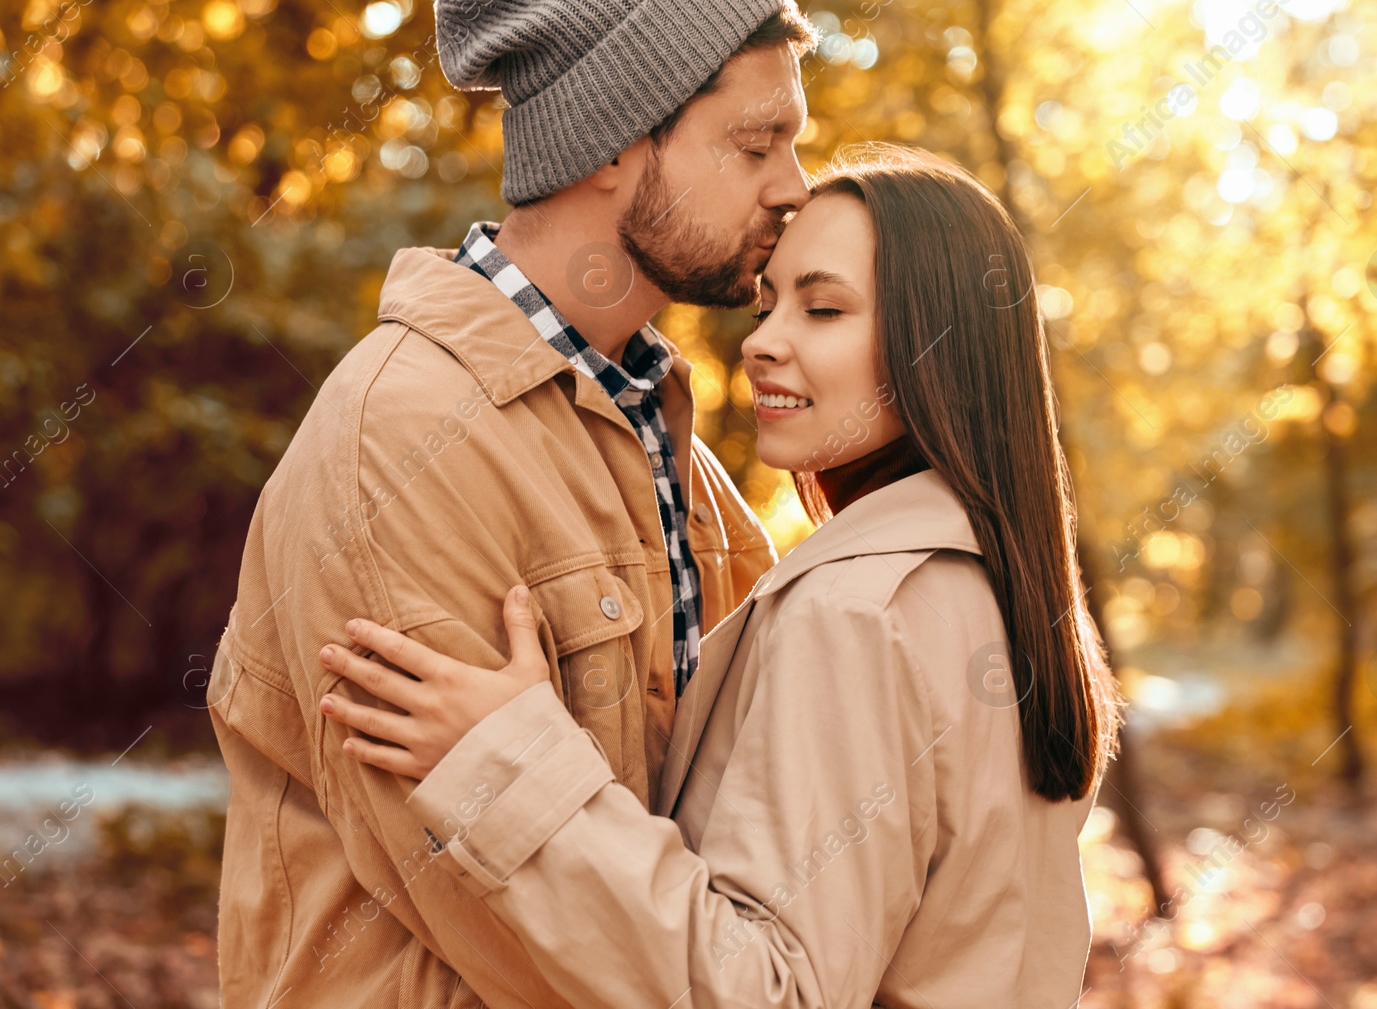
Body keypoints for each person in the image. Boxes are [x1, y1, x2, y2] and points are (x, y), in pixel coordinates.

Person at [317, 145, 1123, 1007]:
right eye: (770, 302)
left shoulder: (855, 610)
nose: (764, 342)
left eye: (823, 309)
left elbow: (770, 991)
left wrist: (507, 769)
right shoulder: (989, 585)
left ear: (938, 344)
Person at [208, 0, 818, 1004]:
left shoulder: (674, 455)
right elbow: (514, 931)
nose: (794, 188)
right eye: (757, 143)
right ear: (612, 145)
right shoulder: (397, 445)